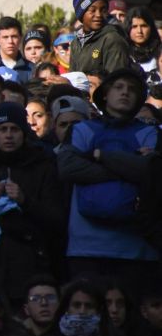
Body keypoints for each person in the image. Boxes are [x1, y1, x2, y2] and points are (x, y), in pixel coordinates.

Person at [59, 68, 159, 280]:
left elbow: (150, 172)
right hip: (85, 249)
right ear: (105, 93)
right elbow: (68, 167)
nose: (125, 93)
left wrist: (99, 155)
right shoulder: (81, 129)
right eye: (118, 87)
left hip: (136, 249)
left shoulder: (151, 133)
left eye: (132, 89)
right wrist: (127, 166)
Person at [0, 102, 63, 303]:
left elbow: (57, 220)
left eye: (14, 129)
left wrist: (25, 201)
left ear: (24, 133)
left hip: (31, 266)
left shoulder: (42, 168)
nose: (8, 135)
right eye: (2, 129)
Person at [69, 0, 131, 78]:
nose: (98, 15)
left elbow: (115, 80)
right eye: (92, 10)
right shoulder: (76, 42)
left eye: (103, 10)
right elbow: (73, 77)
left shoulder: (112, 39)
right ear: (82, 15)